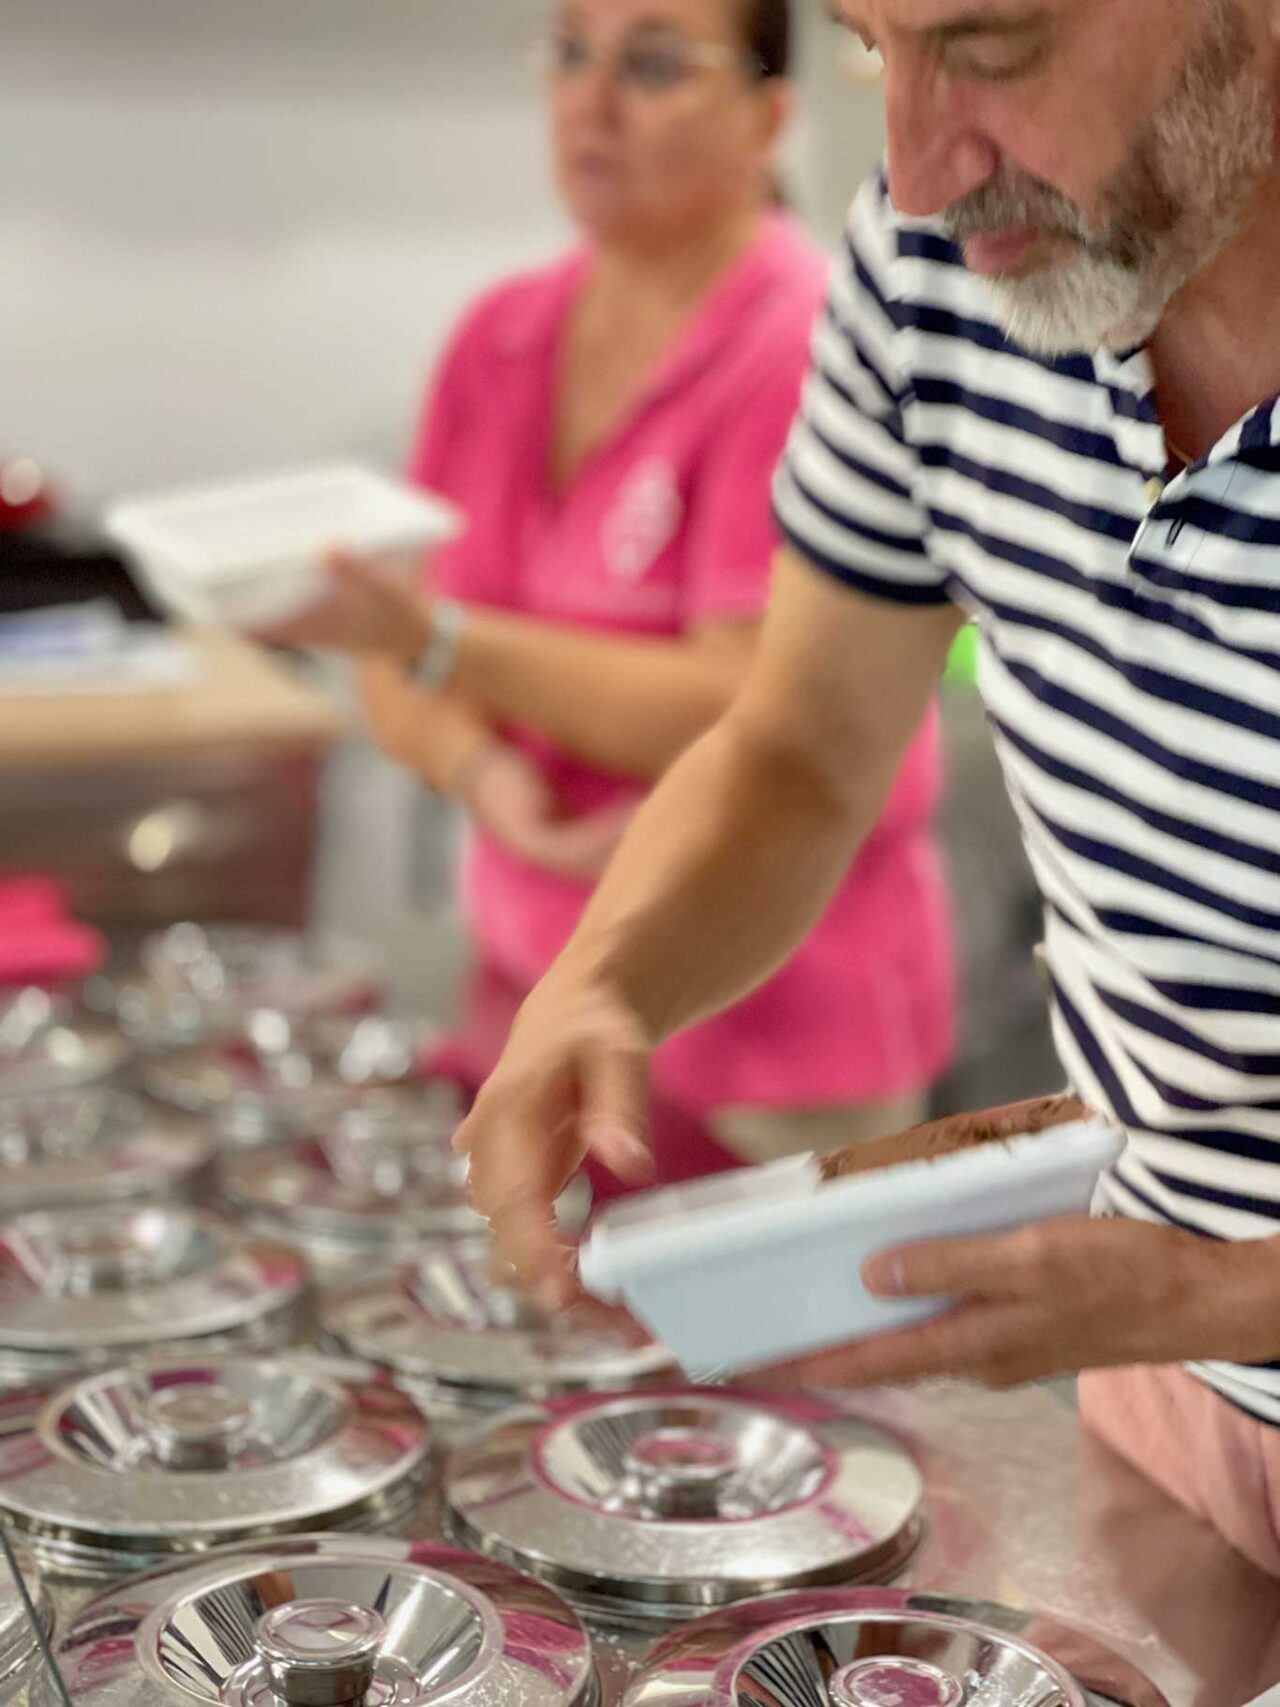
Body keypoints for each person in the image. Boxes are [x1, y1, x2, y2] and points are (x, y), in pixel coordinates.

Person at [456, 0, 1280, 1576]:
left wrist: (1220, 1287)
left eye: (990, 48)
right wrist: (609, 977)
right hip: (1159, 1394)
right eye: (868, 45)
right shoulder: (943, 276)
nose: (913, 173)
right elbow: (802, 744)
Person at [263, 0, 953, 1168]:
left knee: (756, 1354)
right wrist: (478, 771)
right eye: (571, 53)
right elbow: (394, 656)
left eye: (650, 64)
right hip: (531, 985)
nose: (590, 101)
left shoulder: (805, 341)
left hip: (773, 1040)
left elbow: (755, 708)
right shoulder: (502, 335)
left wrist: (444, 641)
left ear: (767, 116)